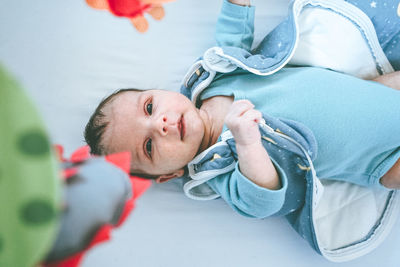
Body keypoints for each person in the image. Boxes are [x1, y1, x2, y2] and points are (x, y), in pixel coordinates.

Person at [84, 0, 400, 219]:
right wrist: (247, 143)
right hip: (382, 160)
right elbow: (261, 201)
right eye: (149, 145)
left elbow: (232, 38)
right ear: (169, 175)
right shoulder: (218, 169)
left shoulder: (213, 78)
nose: (161, 124)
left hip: (377, 90)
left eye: (150, 107)